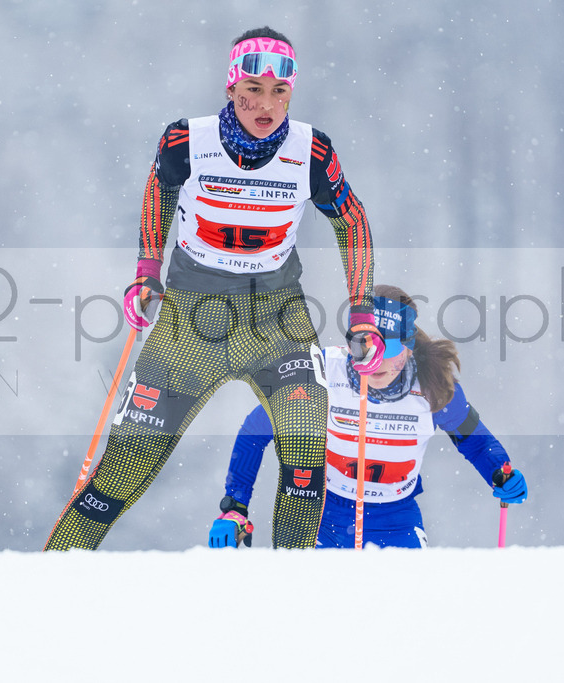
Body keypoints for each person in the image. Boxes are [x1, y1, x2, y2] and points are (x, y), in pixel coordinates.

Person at [45, 27, 385, 550]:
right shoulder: (187, 140)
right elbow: (158, 192)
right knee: (123, 472)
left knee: (304, 452)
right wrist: (145, 272)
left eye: (279, 92)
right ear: (230, 88)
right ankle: (53, 573)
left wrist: (361, 311)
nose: (266, 104)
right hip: (191, 317)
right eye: (253, 88)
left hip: (278, 319)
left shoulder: (311, 150)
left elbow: (352, 220)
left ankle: (294, 592)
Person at [208, 284, 529, 549]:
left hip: (396, 517)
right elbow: (255, 430)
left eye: (387, 350)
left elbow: (474, 441)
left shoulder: (432, 386)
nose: (375, 363)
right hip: (323, 513)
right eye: (364, 348)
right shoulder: (321, 373)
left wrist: (499, 472)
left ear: (407, 348)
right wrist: (235, 507)